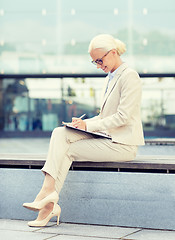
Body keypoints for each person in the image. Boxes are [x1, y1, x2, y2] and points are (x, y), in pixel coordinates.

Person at [23, 34, 145, 227]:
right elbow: (105, 117)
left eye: (99, 60)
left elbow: (124, 117)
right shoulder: (110, 78)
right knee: (60, 133)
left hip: (123, 144)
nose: (98, 65)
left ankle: (46, 201)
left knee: (67, 150)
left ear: (112, 53)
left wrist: (89, 126)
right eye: (94, 62)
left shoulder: (130, 76)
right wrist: (83, 124)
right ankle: (48, 198)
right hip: (108, 138)